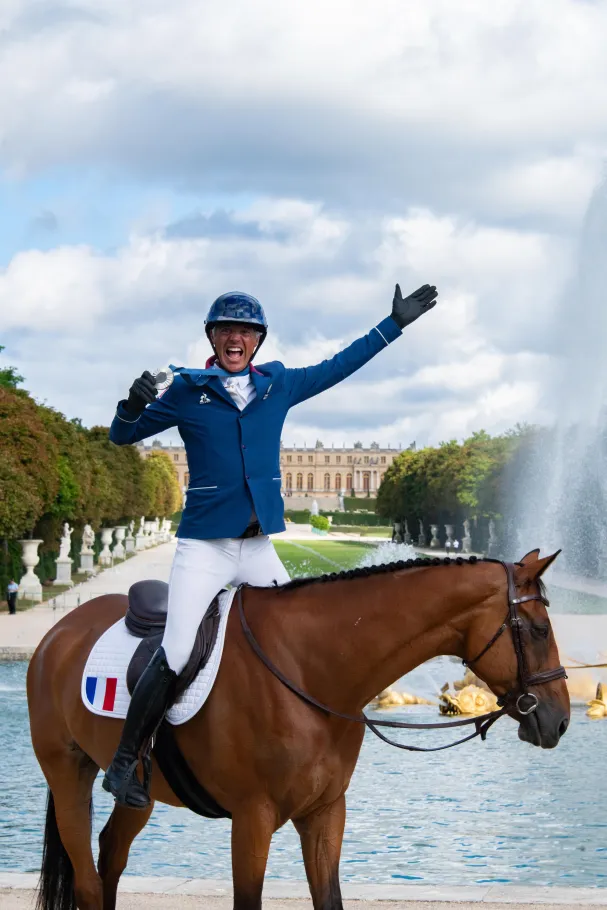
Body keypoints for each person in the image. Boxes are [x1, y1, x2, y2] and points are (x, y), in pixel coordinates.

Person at [103, 283, 438, 808]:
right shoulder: (188, 390)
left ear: (256, 341)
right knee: (175, 649)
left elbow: (338, 365)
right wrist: (132, 404)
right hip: (205, 547)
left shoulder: (278, 384)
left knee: (304, 642)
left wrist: (392, 325)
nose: (235, 338)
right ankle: (127, 761)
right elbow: (122, 436)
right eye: (226, 330)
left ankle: (303, 747)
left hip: (257, 545)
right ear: (213, 338)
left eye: (245, 331)